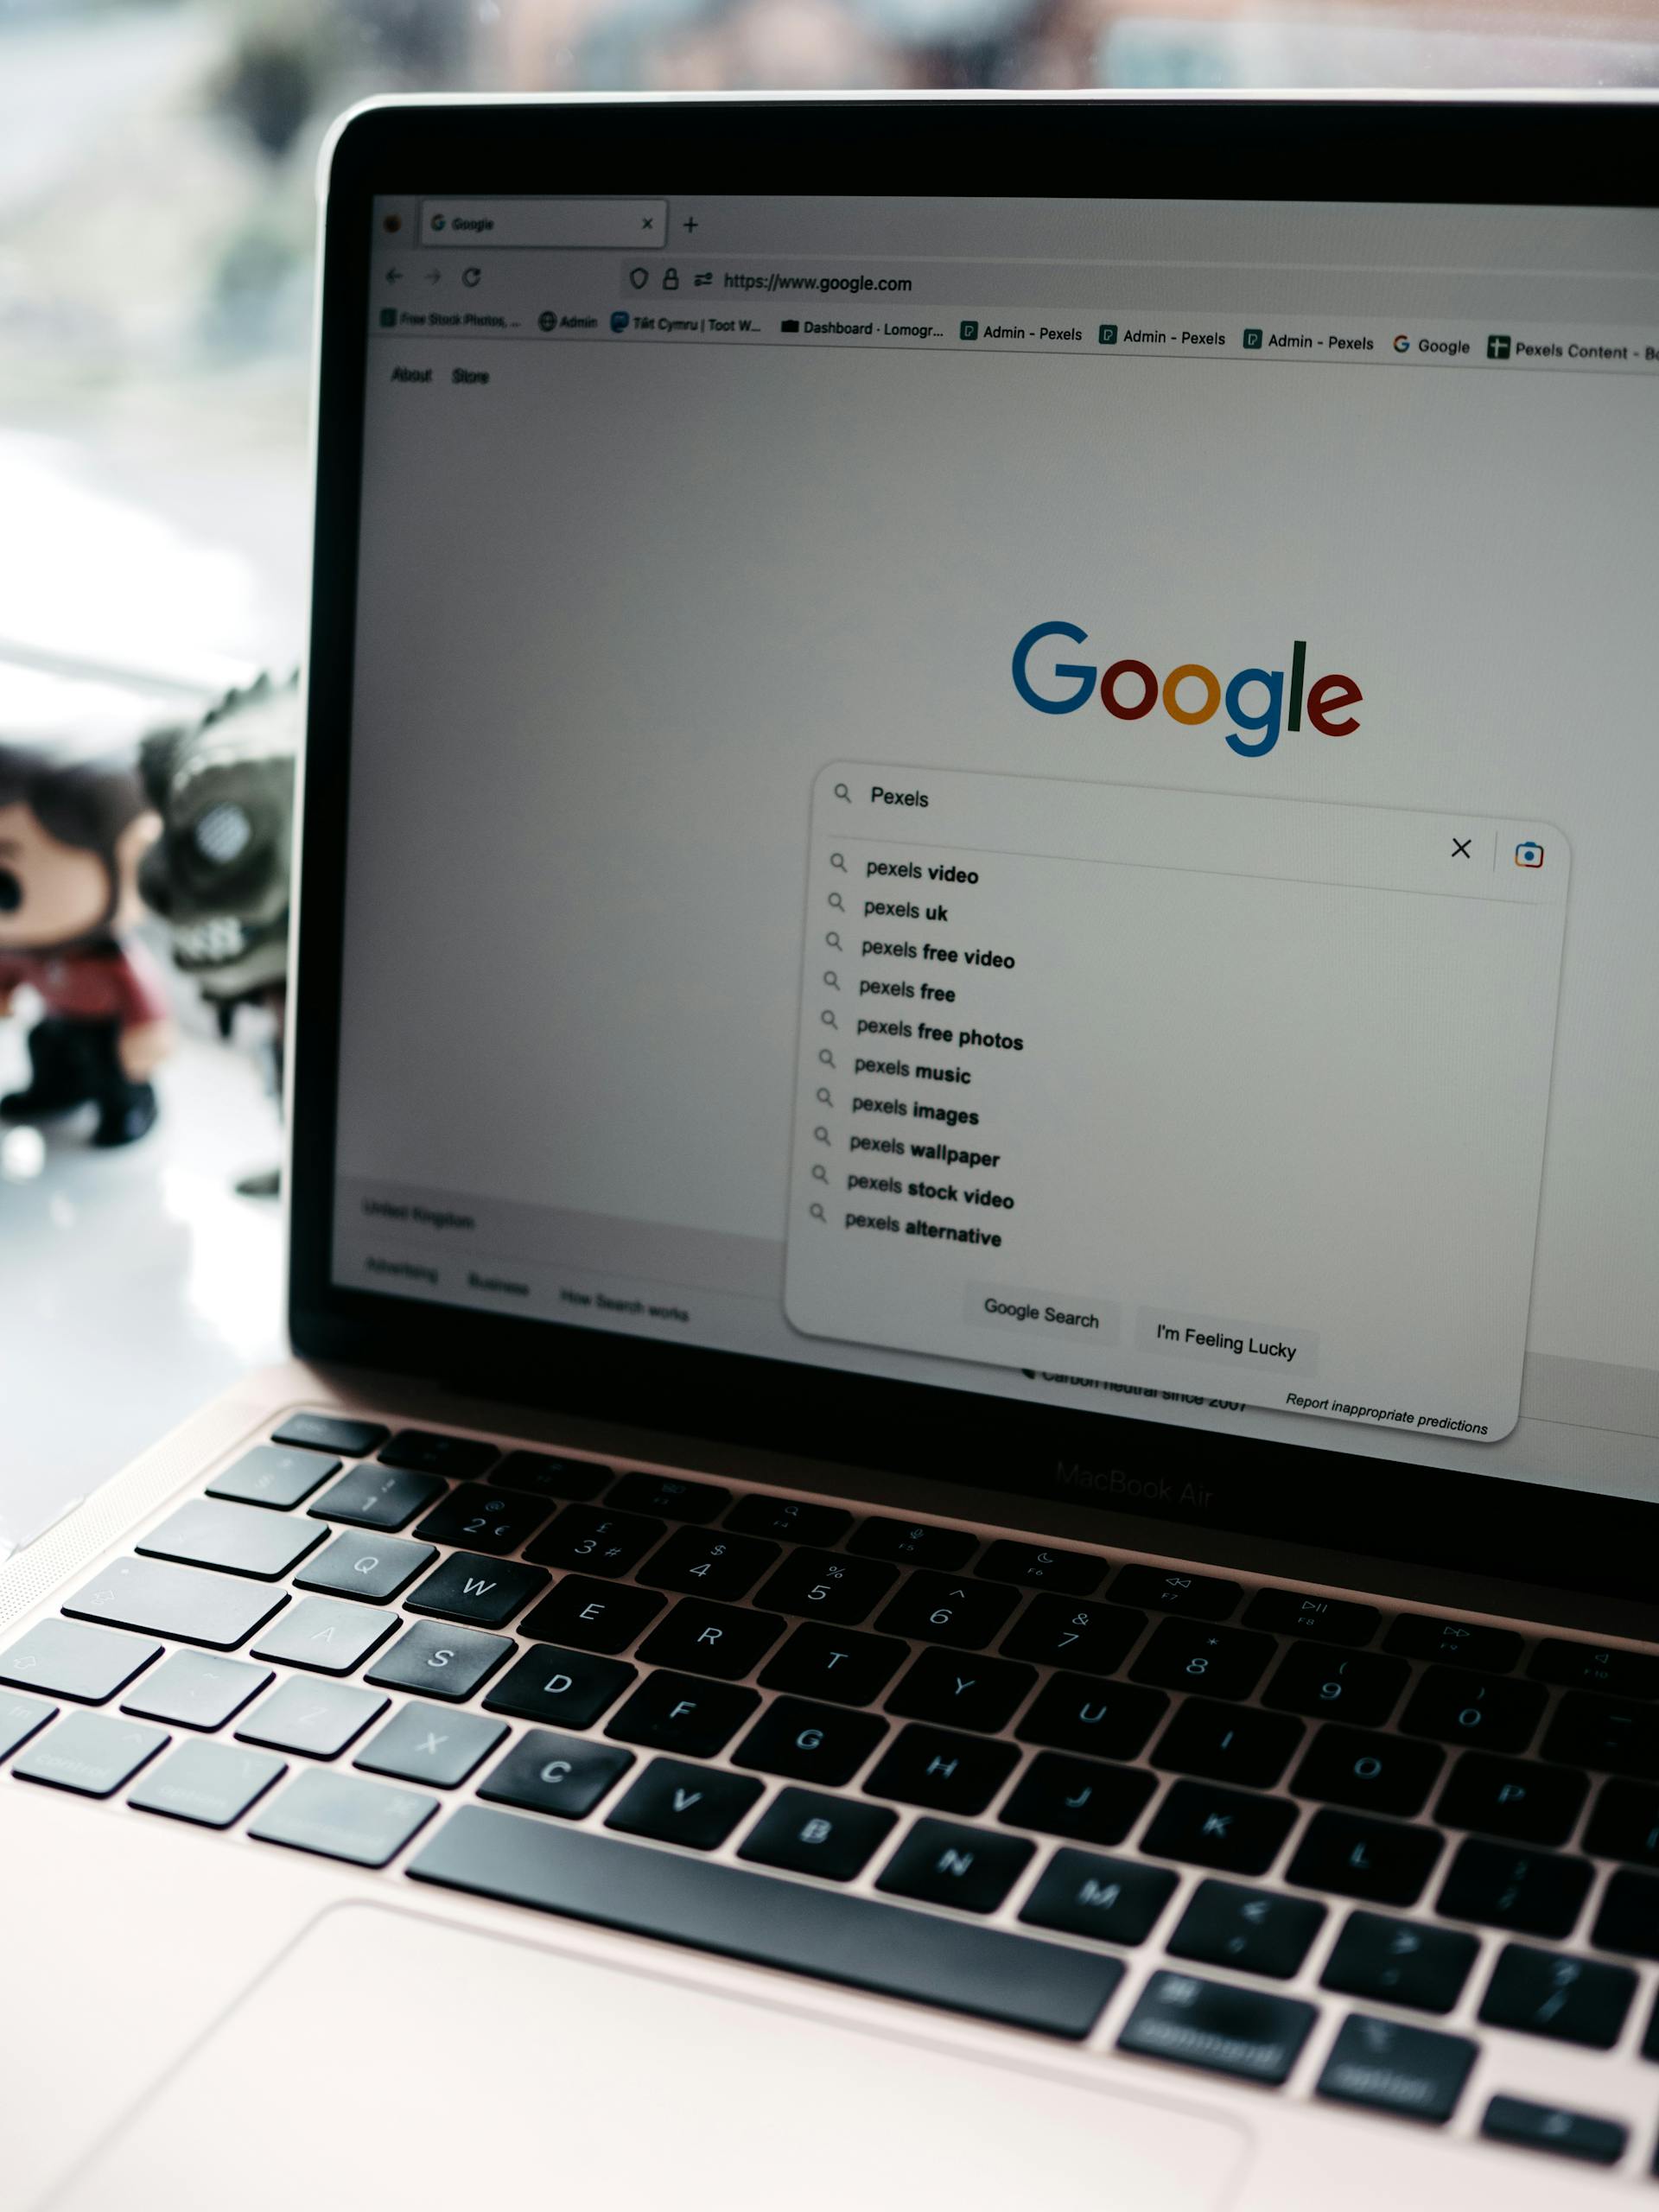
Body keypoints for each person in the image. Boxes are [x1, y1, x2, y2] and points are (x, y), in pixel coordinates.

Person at [0, 740, 175, 1147]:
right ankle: (55, 1090)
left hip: (106, 1031)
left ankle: (130, 1107)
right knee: (42, 1045)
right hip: (57, 1020)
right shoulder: (24, 949)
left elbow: (142, 997)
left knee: (114, 1070)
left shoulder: (113, 960)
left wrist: (147, 1034)